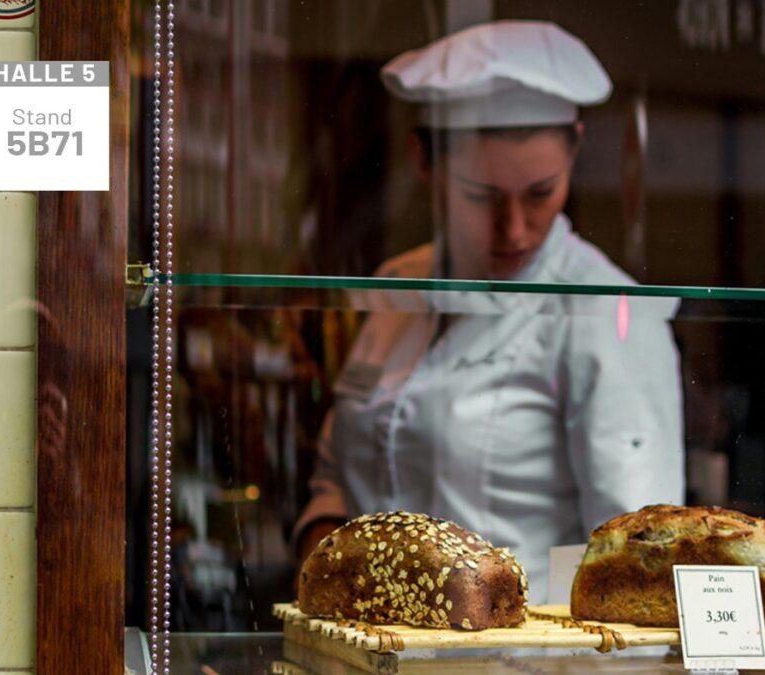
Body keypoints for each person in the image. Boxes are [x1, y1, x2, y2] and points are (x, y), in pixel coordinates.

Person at [294, 20, 685, 600]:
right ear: (422, 161)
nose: (514, 228)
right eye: (480, 197)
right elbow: (339, 474)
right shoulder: (396, 287)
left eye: (540, 192)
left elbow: (640, 562)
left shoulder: (606, 310)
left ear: (574, 151)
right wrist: (322, 566)